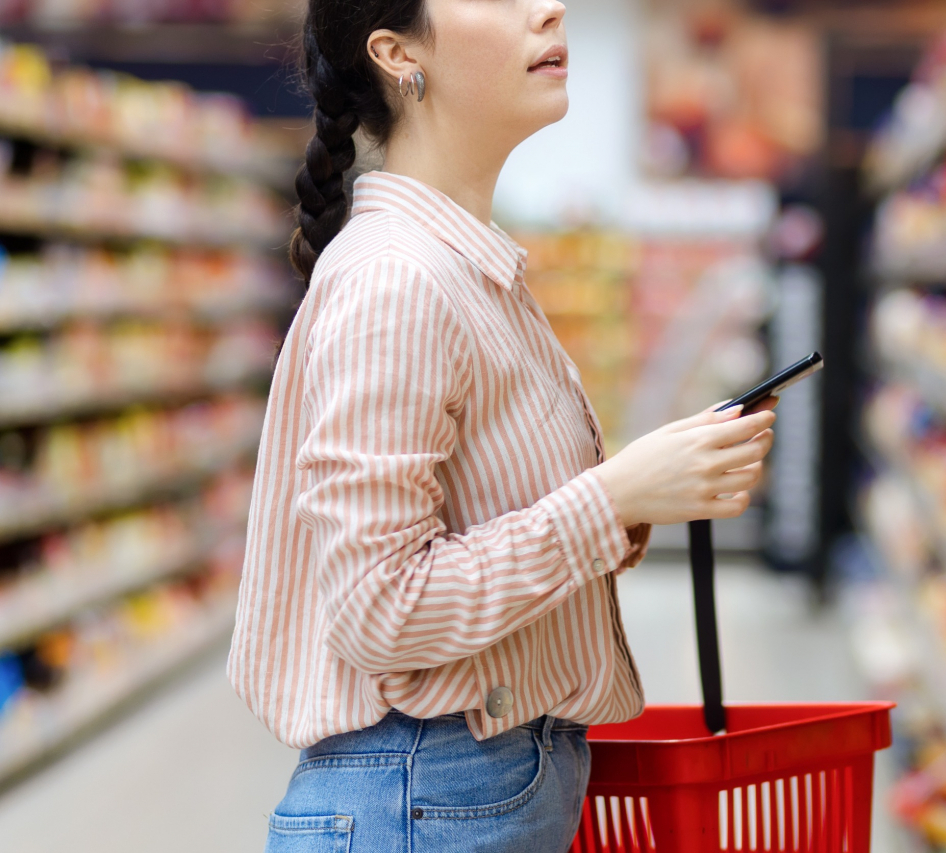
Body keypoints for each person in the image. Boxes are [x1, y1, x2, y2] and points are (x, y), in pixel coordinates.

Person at [228, 1, 777, 851]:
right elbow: (381, 608)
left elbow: (473, 522)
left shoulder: (467, 268)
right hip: (426, 789)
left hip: (463, 782)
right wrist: (612, 495)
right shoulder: (398, 282)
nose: (548, 7)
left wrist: (645, 491)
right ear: (397, 53)